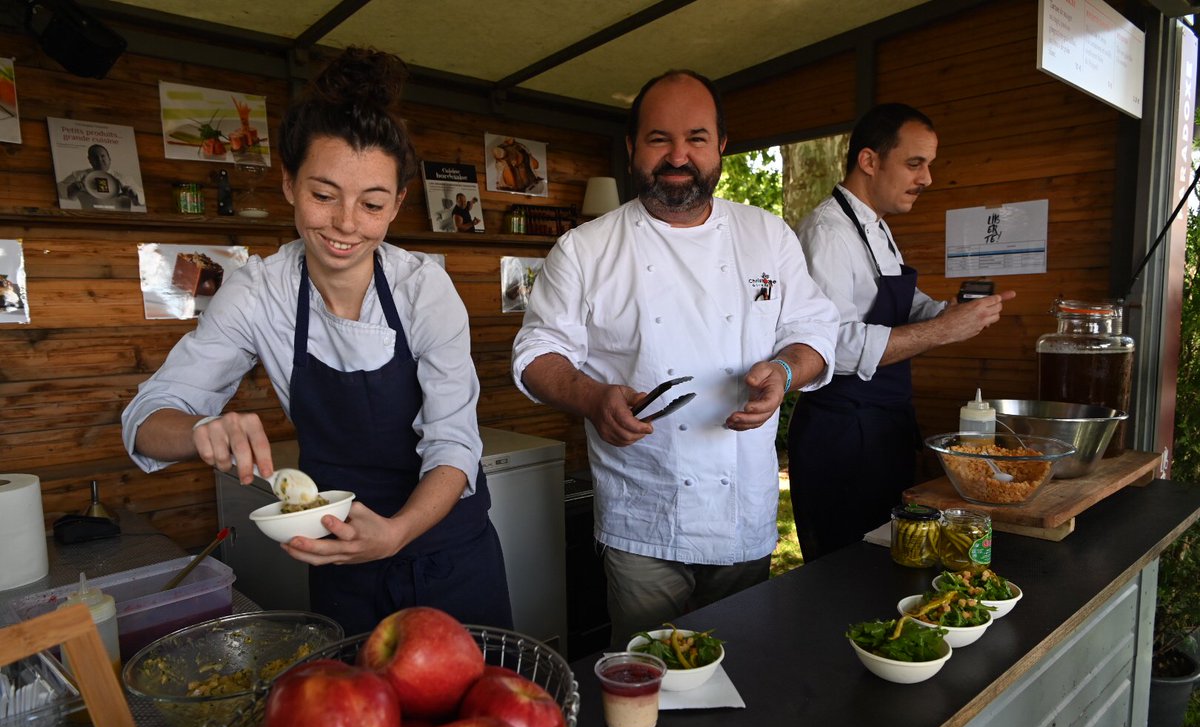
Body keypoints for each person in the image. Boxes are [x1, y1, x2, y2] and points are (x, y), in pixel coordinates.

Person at [120, 47, 512, 636]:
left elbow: (455, 444)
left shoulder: (423, 289)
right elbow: (144, 420)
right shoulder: (259, 293)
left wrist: (396, 533)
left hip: (448, 555)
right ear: (288, 183)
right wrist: (202, 429)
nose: (346, 224)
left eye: (372, 203)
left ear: (397, 204)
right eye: (324, 195)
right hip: (339, 560)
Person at [511, 69, 839, 646]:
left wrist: (786, 371)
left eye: (696, 137)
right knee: (646, 672)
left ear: (721, 147)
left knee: (742, 663)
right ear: (633, 147)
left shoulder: (769, 236)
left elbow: (814, 329)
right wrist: (591, 397)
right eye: (659, 139)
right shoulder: (586, 248)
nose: (678, 155)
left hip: (743, 508)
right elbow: (538, 351)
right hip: (642, 513)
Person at [789, 103, 1016, 562]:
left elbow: (901, 303)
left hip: (881, 427)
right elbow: (832, 345)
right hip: (842, 435)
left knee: (890, 558)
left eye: (929, 164)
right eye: (915, 164)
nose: (928, 178)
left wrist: (949, 312)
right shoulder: (827, 233)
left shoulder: (876, 225)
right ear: (869, 161)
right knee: (847, 569)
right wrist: (940, 331)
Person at [58, 143, 141, 210]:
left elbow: (142, 201)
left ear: (109, 158)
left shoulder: (125, 178)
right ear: (89, 160)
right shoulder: (78, 175)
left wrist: (134, 196)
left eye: (103, 156)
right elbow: (59, 190)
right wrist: (72, 188)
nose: (99, 160)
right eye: (95, 157)